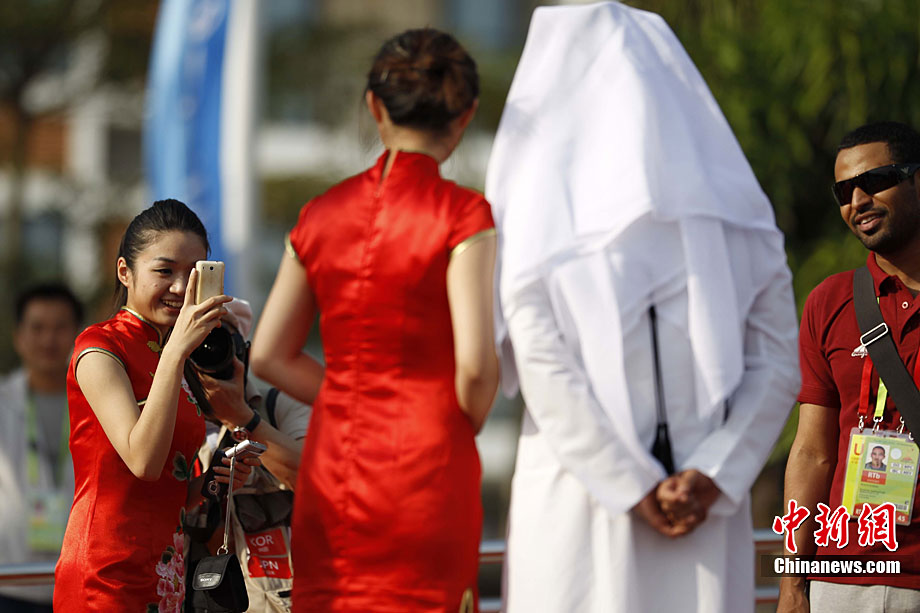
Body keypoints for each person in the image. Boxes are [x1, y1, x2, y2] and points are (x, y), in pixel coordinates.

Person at [486, 4, 800, 612]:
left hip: (582, 498)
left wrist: (630, 484)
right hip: (701, 511)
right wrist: (713, 475)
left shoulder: (535, 227)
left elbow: (542, 367)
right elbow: (778, 364)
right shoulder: (743, 219)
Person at [251, 27, 499, 612]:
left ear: (375, 107)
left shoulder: (319, 214)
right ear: (465, 116)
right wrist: (446, 420)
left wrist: (349, 397)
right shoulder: (463, 213)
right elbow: (476, 368)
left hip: (334, 462)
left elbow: (268, 355)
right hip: (427, 463)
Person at [52, 199, 250, 611]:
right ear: (124, 272)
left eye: (193, 274)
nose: (180, 288)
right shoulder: (100, 347)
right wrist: (177, 351)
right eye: (164, 271)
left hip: (165, 571)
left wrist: (217, 478)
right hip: (105, 576)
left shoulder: (175, 355)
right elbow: (142, 461)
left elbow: (167, 487)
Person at [780, 121, 920, 612]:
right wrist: (792, 584)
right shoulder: (828, 301)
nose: (857, 201)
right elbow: (811, 453)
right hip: (840, 581)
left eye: (874, 181)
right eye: (844, 191)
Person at [186, 299, 311, 613]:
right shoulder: (168, 426)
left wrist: (242, 418)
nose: (209, 350)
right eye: (198, 344)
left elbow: (318, 481)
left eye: (220, 340)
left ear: (244, 352)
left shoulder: (279, 407)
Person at [0, 284, 82, 611]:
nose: (49, 340)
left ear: (77, 334)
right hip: (10, 582)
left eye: (60, 328)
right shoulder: (3, 401)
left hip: (77, 583)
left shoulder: (98, 403)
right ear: (18, 336)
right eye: (37, 328)